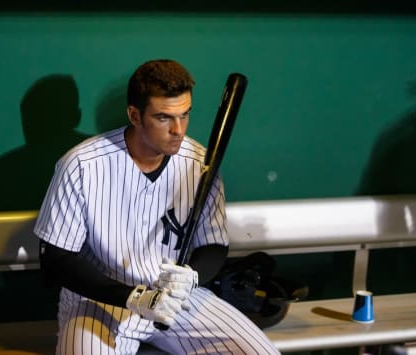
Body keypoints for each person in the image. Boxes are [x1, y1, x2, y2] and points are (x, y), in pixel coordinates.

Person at [34, 59, 280, 354]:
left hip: (177, 300)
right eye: (164, 117)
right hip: (99, 302)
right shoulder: (81, 164)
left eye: (185, 114)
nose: (178, 129)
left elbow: (213, 246)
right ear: (135, 115)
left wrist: (193, 276)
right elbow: (56, 260)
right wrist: (134, 297)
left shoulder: (201, 162)